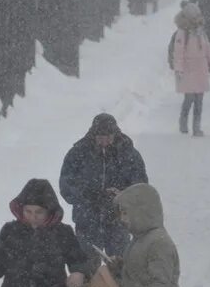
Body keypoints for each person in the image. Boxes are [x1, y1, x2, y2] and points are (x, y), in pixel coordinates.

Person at [59, 113, 148, 263]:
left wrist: (122, 195)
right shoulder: (78, 153)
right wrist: (90, 195)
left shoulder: (128, 154)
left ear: (115, 134)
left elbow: (141, 187)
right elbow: (67, 186)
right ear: (93, 135)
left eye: (108, 137)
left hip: (118, 221)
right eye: (100, 137)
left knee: (120, 269)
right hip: (87, 221)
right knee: (87, 272)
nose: (104, 142)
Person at [171, 3, 210, 137]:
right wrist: (179, 69)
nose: (197, 19)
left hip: (200, 70)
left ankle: (196, 127)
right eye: (195, 17)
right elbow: (178, 53)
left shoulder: (201, 32)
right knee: (189, 99)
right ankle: (183, 121)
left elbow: (208, 49)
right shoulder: (182, 33)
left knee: (199, 100)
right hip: (188, 70)